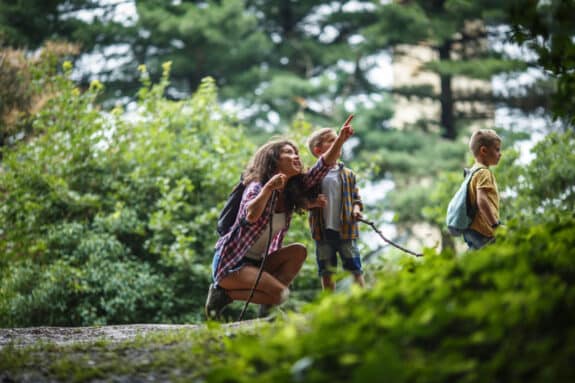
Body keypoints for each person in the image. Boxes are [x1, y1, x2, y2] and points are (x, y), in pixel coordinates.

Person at [205, 115, 355, 320]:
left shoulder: (292, 190)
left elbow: (323, 166)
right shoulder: (256, 186)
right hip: (233, 264)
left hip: (258, 263)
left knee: (298, 251)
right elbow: (250, 215)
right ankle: (223, 293)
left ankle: (258, 305)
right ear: (274, 160)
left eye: (296, 153)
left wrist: (340, 140)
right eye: (288, 152)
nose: (296, 157)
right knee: (280, 294)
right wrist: (267, 189)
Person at [306, 127, 365, 291]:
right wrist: (313, 203)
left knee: (355, 268)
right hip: (322, 232)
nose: (338, 142)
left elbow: (356, 198)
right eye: (332, 140)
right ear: (318, 150)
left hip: (346, 229)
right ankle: (329, 308)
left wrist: (356, 209)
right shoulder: (313, 174)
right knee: (326, 272)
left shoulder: (348, 174)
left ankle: (363, 303)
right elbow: (303, 201)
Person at [463, 129, 502, 250]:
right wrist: (495, 225)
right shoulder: (484, 173)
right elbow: (482, 201)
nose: (500, 154)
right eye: (497, 149)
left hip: (471, 229)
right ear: (484, 151)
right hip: (483, 230)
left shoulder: (473, 171)